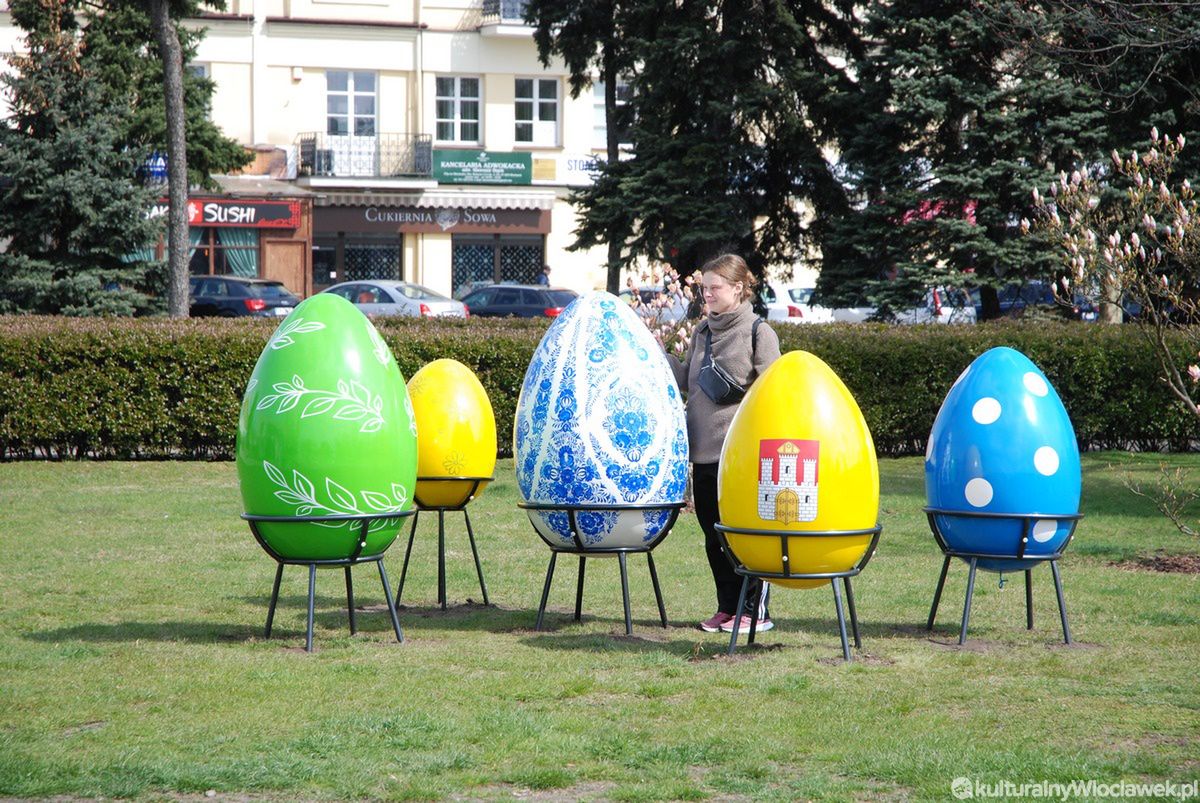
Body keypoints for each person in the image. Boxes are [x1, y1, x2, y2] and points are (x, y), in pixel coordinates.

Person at [666, 253, 782, 634]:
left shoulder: (759, 333)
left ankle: (755, 611)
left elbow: (772, 393)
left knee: (744, 538)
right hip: (702, 455)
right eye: (704, 288)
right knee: (713, 538)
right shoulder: (702, 332)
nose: (708, 294)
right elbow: (688, 380)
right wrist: (657, 355)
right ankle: (727, 607)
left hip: (739, 460)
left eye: (714, 288)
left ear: (738, 287)